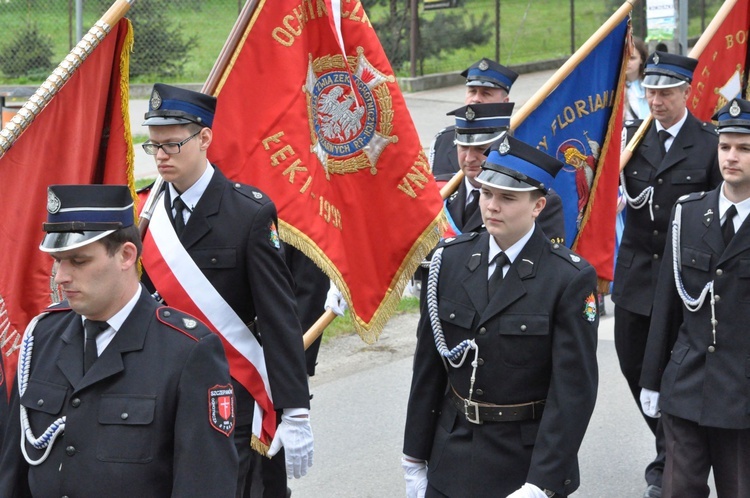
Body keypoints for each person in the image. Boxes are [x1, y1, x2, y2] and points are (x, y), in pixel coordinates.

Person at [0, 184, 238, 496]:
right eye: (59, 260)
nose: (60, 276)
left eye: (78, 261)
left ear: (126, 255)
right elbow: (13, 473)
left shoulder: (186, 351)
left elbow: (204, 483)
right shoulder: (42, 335)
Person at [139, 84, 313, 498]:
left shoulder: (248, 213)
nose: (162, 155)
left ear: (204, 138)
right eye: (154, 145)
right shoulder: (145, 213)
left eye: (173, 143)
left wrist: (296, 409)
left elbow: (278, 316)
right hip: (163, 390)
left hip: (232, 391)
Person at [402, 134, 599, 498]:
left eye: (507, 198)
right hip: (452, 455)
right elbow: (428, 368)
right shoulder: (449, 261)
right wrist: (414, 454)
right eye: (486, 193)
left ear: (538, 206)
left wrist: (542, 482)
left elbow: (573, 392)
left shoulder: (568, 279)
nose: (492, 205)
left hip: (523, 463)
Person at [613, 51, 722, 498]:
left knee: (671, 374)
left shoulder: (709, 142)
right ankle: (670, 444)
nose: (656, 101)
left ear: (686, 92)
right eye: (651, 91)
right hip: (637, 275)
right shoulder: (634, 141)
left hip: (683, 282)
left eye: (665, 92)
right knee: (633, 364)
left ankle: (670, 460)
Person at [639, 97, 750, 497]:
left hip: (742, 392)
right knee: (677, 490)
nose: (731, 157)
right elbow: (667, 306)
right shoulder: (688, 213)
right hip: (687, 385)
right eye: (725, 146)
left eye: (744, 148)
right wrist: (652, 380)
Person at [445, 103, 566, 242]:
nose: (469, 158)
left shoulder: (536, 198)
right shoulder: (441, 190)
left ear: (502, 148)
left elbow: (546, 258)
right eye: (463, 148)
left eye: (480, 149)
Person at [430, 58, 518, 178]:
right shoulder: (443, 140)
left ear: (505, 101)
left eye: (486, 93)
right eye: (472, 91)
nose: (476, 99)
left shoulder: (517, 140)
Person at [625, 37, 650, 121]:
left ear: (641, 59)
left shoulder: (651, 84)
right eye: (624, 58)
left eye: (632, 58)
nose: (627, 62)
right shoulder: (612, 87)